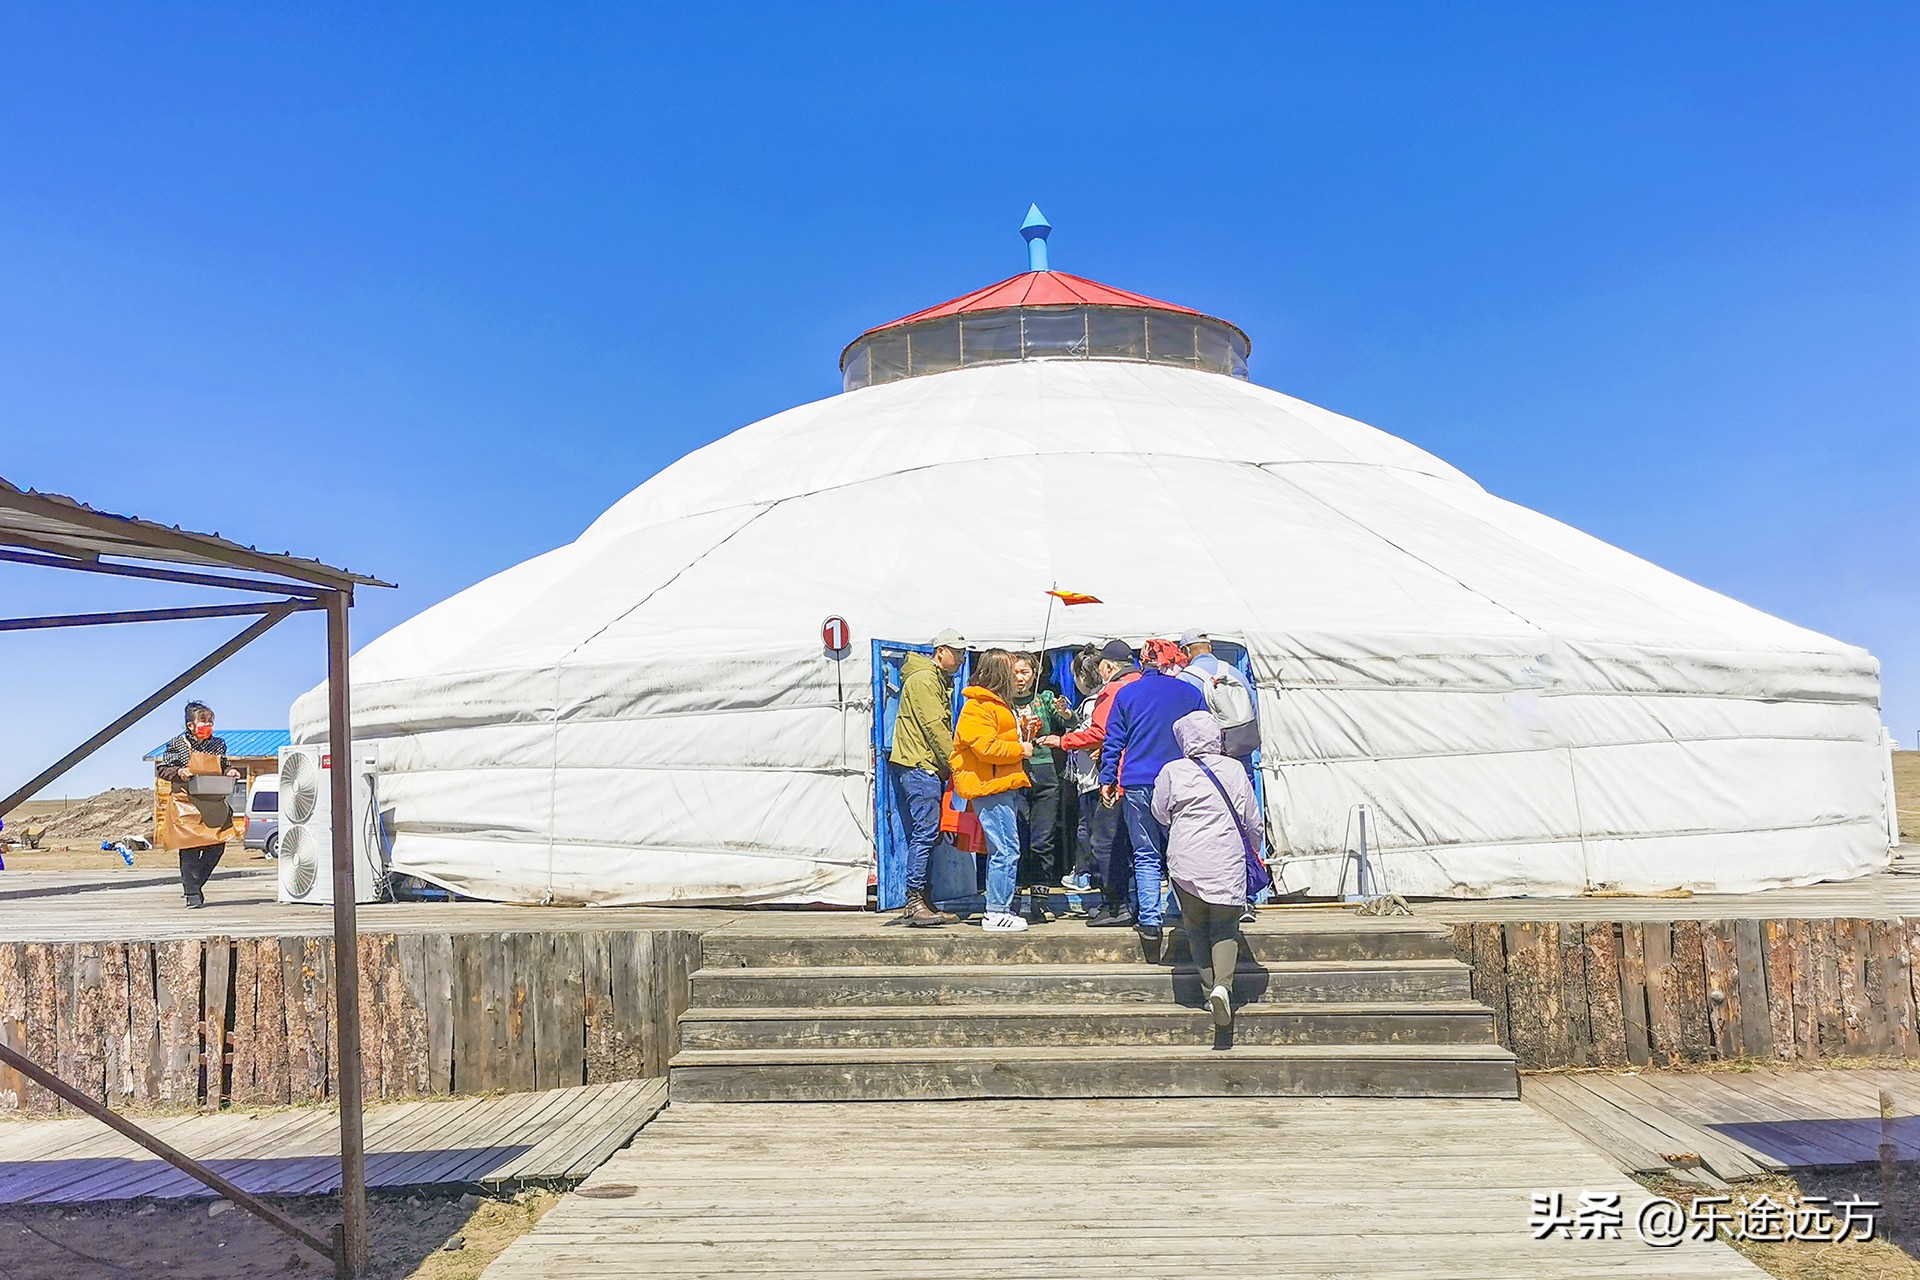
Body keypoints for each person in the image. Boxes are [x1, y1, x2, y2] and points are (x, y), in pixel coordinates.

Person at [1153, 710, 1261, 1034]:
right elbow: (1252, 819)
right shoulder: (1234, 769)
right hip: (1226, 858)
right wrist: (1254, 848)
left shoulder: (1172, 771)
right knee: (1226, 928)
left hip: (1186, 860)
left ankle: (1206, 992)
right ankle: (1223, 988)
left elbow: (1159, 812)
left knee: (1196, 928)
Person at [1099, 639, 1206, 957]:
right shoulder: (1190, 693)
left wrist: (1108, 779)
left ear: (1142, 662)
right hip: (1181, 781)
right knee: (1181, 852)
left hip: (1138, 780)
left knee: (1146, 854)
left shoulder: (1126, 693)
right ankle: (1186, 916)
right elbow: (1205, 736)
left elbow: (1113, 740)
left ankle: (1150, 921)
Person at [1044, 640, 1140, 927]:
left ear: (1108, 666)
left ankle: (1117, 906)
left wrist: (1062, 740)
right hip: (1141, 775)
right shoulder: (1142, 685)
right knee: (1134, 844)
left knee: (1105, 842)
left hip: (1112, 778)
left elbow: (1099, 732)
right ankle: (1132, 905)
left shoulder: (1113, 691)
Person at [950, 650, 1034, 933]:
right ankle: (996, 911)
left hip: (1001, 784)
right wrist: (1020, 749)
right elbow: (986, 748)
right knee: (1005, 850)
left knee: (1007, 848)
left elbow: (995, 739)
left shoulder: (995, 704)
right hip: (991, 786)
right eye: (1011, 671)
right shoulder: (978, 706)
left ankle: (1000, 908)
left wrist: (1021, 730)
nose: (1017, 677)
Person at [889, 630, 966, 926]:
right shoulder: (924, 680)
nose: (960, 658)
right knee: (924, 832)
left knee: (929, 833)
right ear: (940, 651)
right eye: (956, 653)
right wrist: (957, 764)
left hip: (925, 765)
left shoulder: (935, 679)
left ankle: (925, 901)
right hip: (920, 765)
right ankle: (914, 901)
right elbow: (935, 727)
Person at [155, 700, 242, 909]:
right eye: (203, 721)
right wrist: (178, 772)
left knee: (217, 846)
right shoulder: (177, 744)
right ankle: (191, 893)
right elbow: (163, 768)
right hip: (187, 804)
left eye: (211, 721)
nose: (208, 725)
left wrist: (230, 772)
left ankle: (196, 883)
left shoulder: (218, 744)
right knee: (189, 850)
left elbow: (224, 765)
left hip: (213, 803)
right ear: (190, 725)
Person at [1009, 651, 1069, 924]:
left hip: (1044, 774)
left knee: (1041, 840)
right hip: (1012, 773)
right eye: (1015, 672)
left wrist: (1064, 714)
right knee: (1014, 839)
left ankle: (1040, 899)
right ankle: (1013, 897)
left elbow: (1066, 727)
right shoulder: (1000, 703)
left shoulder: (1043, 700)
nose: (1020, 678)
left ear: (1035, 673)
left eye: (1025, 672)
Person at [1176, 631, 1260, 765]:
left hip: (1208, 755)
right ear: (1210, 648)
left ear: (1186, 651)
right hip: (1241, 746)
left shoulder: (1184, 678)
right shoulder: (1234, 672)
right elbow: (1254, 707)